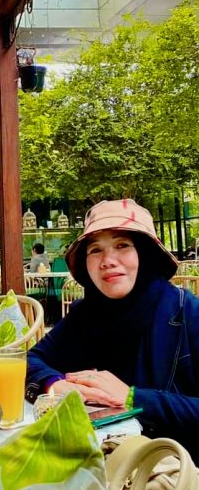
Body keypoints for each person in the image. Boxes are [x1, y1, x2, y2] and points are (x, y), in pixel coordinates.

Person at [26, 198, 199, 464]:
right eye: (95, 250)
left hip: (171, 475)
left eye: (122, 245)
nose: (107, 260)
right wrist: (55, 384)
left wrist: (133, 398)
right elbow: (30, 361)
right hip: (90, 465)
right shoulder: (84, 314)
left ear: (145, 254)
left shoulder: (187, 313)